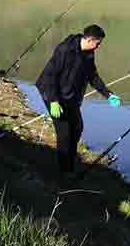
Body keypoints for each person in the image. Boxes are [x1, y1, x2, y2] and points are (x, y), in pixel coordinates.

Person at [36, 24, 122, 177]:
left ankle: (70, 162)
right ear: (89, 40)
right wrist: (53, 100)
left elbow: (92, 76)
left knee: (77, 128)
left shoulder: (89, 53)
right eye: (98, 43)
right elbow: (50, 75)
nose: (99, 46)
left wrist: (108, 94)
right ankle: (65, 173)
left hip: (71, 98)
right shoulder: (64, 50)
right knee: (64, 134)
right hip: (52, 93)